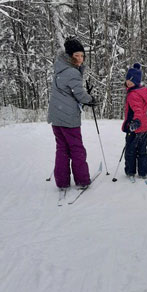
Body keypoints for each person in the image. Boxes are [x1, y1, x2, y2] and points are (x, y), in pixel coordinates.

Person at [48, 38, 95, 190]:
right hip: (68, 118)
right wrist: (91, 99)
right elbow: (80, 95)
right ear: (69, 56)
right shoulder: (71, 72)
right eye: (77, 55)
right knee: (76, 148)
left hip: (56, 117)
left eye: (82, 55)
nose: (80, 59)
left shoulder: (59, 69)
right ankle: (82, 180)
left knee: (62, 148)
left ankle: (62, 182)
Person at [121, 63, 147, 179]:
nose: (128, 82)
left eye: (132, 81)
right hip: (144, 127)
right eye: (128, 79)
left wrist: (136, 122)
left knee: (130, 150)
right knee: (142, 150)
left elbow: (137, 110)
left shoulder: (133, 94)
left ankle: (130, 171)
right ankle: (143, 171)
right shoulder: (141, 92)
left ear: (137, 82)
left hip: (135, 127)